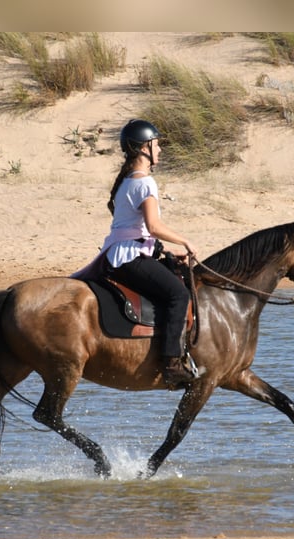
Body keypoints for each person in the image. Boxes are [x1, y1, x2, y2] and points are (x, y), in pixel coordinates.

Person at [100, 119, 197, 388]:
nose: (161, 149)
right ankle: (172, 365)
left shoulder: (126, 182)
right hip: (130, 258)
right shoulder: (145, 183)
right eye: (158, 144)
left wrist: (165, 250)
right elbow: (153, 226)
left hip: (120, 254)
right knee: (179, 294)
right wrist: (185, 241)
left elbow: (137, 230)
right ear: (144, 148)